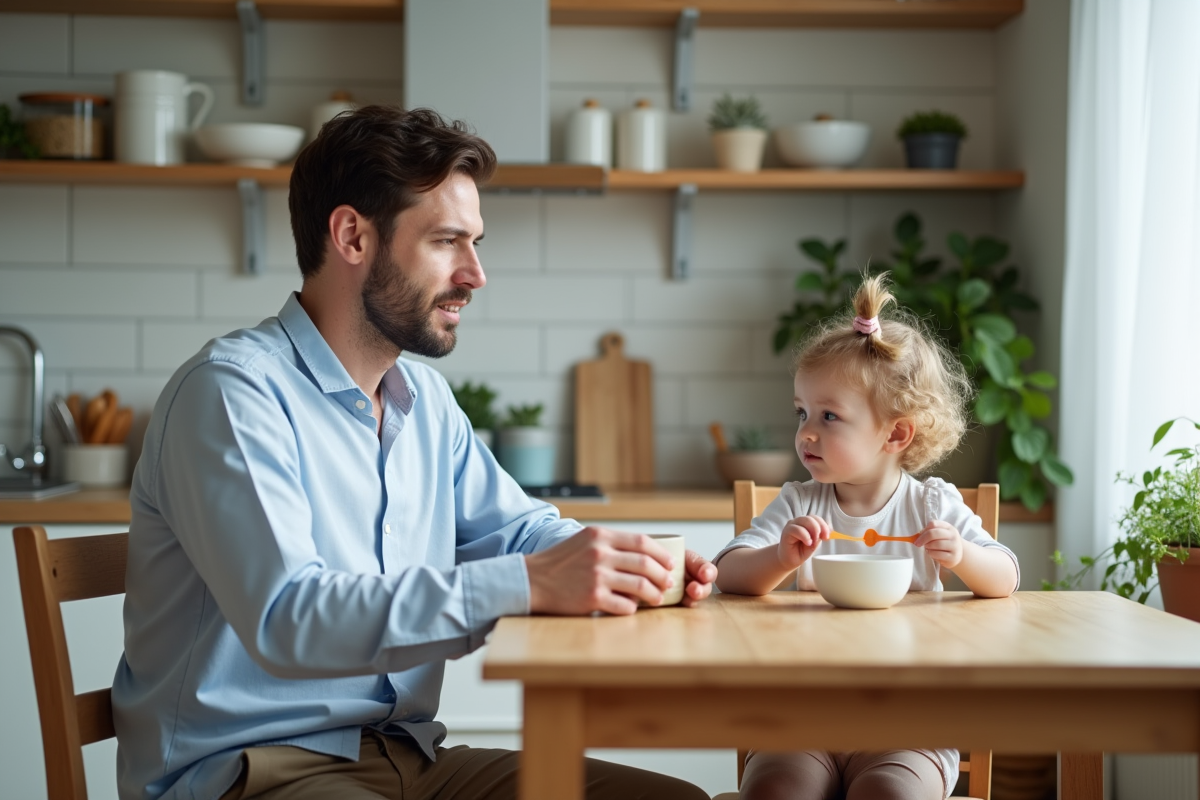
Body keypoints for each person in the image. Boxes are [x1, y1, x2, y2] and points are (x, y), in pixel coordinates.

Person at [112, 105, 716, 800]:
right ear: (352, 236)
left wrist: (633, 564)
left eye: (476, 243)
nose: (476, 274)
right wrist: (530, 582)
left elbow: (521, 532)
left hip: (409, 759)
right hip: (254, 771)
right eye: (447, 242)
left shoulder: (423, 402)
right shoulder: (232, 395)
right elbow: (288, 618)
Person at [713, 273, 1019, 800]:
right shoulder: (799, 502)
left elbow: (1006, 576)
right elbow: (728, 571)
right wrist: (779, 557)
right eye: (802, 412)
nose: (806, 431)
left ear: (896, 433)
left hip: (911, 728)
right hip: (802, 722)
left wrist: (964, 554)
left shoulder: (931, 505)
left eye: (829, 416)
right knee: (774, 791)